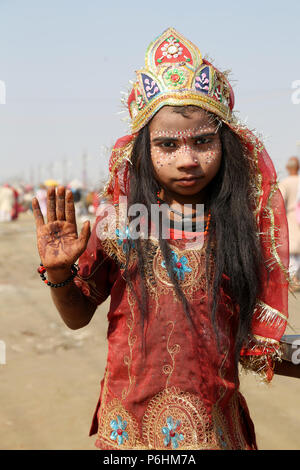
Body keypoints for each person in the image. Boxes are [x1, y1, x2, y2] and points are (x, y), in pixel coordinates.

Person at [32, 28, 297, 450]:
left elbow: (252, 339)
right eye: (167, 145)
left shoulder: (240, 228)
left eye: (203, 142)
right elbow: (77, 315)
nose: (188, 159)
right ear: (143, 151)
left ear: (225, 144)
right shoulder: (119, 223)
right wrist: (60, 271)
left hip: (215, 433)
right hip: (128, 437)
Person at [279, 157, 300, 286]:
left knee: (291, 250)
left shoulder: (285, 183)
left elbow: (279, 202)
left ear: (288, 168)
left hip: (291, 217)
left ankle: (293, 279)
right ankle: (295, 278)